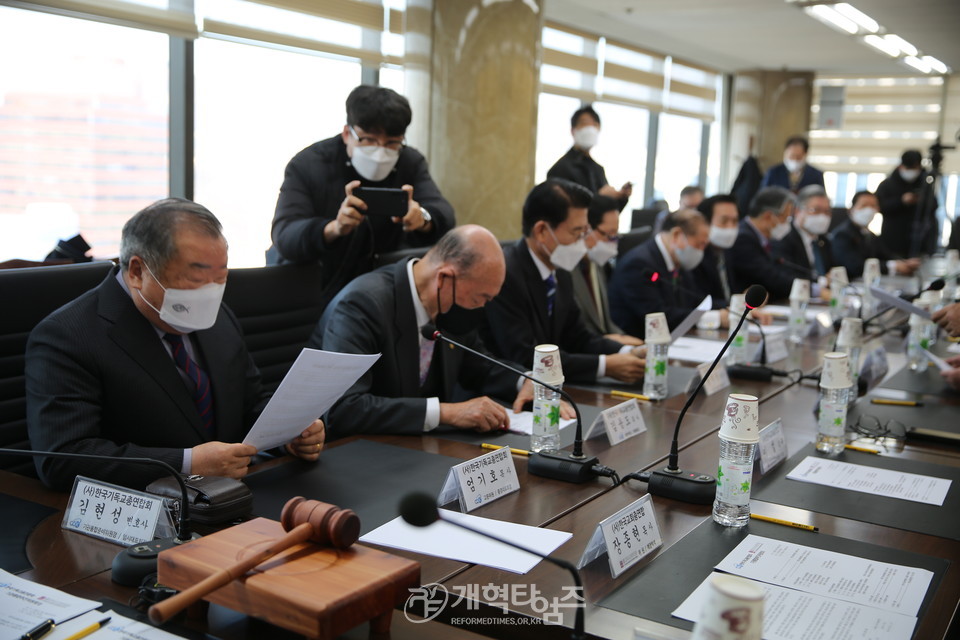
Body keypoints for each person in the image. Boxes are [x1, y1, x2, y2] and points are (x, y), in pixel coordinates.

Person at [26, 199, 325, 491]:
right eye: (195, 280)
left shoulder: (219, 317)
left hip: (232, 496)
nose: (209, 295)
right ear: (137, 272)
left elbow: (249, 401)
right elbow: (63, 459)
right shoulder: (68, 336)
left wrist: (288, 432)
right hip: (144, 513)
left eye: (219, 279)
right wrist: (185, 463)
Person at [314, 225, 565, 438]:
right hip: (360, 453)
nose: (482, 308)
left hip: (421, 450)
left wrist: (524, 381)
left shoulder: (447, 303)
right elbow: (343, 409)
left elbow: (478, 364)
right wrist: (447, 413)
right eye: (481, 298)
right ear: (445, 278)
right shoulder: (362, 305)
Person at [269, 85, 455, 306]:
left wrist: (422, 218)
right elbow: (285, 235)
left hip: (375, 289)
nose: (380, 152)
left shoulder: (410, 162)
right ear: (348, 133)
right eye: (369, 140)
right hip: (309, 288)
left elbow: (444, 215)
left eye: (392, 143)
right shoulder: (308, 164)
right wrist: (333, 229)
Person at [482, 179, 646, 385]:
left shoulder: (560, 272)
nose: (581, 241)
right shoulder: (506, 275)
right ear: (542, 231)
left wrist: (628, 352)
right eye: (576, 232)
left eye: (584, 232)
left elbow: (578, 338)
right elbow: (526, 357)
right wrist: (605, 366)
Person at [609, 209, 709, 337]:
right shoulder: (638, 264)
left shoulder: (678, 262)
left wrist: (727, 308)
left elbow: (695, 299)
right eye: (699, 244)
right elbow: (657, 316)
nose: (701, 251)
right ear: (677, 235)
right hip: (638, 343)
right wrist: (710, 318)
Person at [571, 195, 639, 342]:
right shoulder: (564, 270)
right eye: (609, 234)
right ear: (585, 229)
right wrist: (616, 344)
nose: (613, 242)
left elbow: (605, 324)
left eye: (616, 235)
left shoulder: (597, 263)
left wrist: (629, 344)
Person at [546, 105, 632, 209]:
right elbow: (564, 211)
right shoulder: (560, 169)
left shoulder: (598, 169)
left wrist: (621, 197)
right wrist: (600, 197)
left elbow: (607, 214)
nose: (590, 129)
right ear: (573, 130)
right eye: (585, 124)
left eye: (594, 124)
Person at [829, 190, 920, 279]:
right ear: (851, 210)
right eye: (864, 205)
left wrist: (904, 262)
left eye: (873, 206)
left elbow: (886, 255)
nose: (869, 210)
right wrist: (893, 266)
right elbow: (856, 267)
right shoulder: (842, 235)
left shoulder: (870, 234)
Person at [729, 187, 797, 301]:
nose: (787, 224)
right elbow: (770, 277)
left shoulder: (763, 239)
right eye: (785, 218)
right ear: (768, 216)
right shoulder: (743, 238)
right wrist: (805, 288)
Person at [876, 149, 938, 258]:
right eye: (908, 168)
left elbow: (934, 207)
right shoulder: (887, 184)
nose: (911, 171)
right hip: (893, 242)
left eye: (914, 168)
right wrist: (901, 201)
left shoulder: (925, 185)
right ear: (901, 166)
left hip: (919, 242)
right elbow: (879, 206)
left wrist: (920, 201)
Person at [772, 185, 835, 280]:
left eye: (827, 211)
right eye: (815, 210)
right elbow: (786, 277)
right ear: (797, 211)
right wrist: (819, 284)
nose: (823, 216)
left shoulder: (825, 240)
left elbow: (831, 270)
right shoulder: (783, 238)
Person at [691, 194, 739, 310]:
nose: (731, 227)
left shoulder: (727, 251)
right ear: (705, 222)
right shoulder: (694, 255)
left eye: (735, 221)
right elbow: (698, 301)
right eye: (724, 221)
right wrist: (735, 306)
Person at [760, 136, 825, 193]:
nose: (794, 160)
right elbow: (762, 195)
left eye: (798, 157)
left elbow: (821, 197)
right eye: (791, 156)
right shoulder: (773, 172)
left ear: (805, 154)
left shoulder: (816, 175)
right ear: (785, 153)